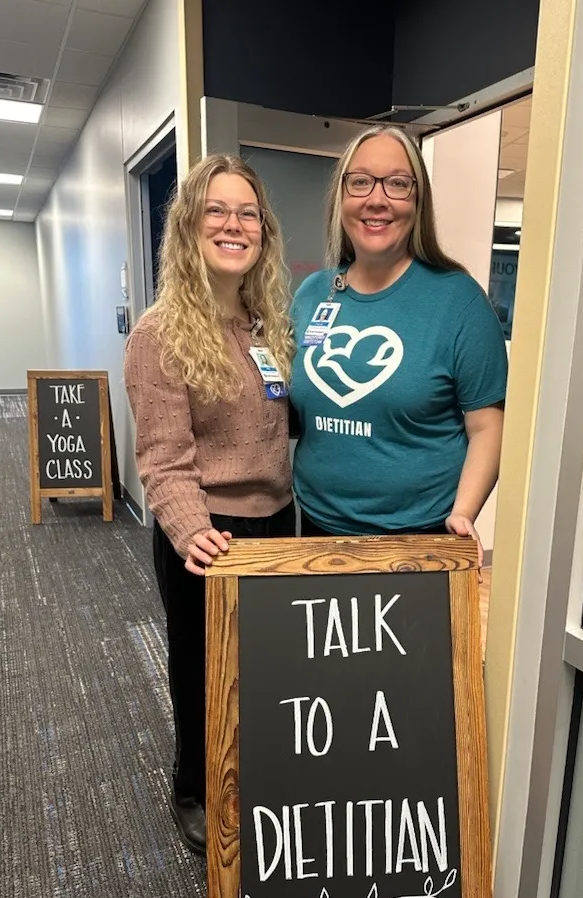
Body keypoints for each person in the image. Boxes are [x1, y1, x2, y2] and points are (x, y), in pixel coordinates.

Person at [124, 154, 295, 855]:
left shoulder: (267, 327)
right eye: (217, 211)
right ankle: (191, 787)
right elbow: (162, 456)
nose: (234, 224)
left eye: (247, 212)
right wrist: (193, 530)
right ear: (189, 227)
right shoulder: (159, 334)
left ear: (264, 232)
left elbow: (283, 425)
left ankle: (251, 771)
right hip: (208, 536)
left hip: (276, 525)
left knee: (263, 669)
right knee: (202, 672)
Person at [289, 125, 507, 557]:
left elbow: (487, 428)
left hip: (418, 537)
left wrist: (463, 513)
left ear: (418, 200)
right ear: (341, 197)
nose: (377, 199)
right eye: (361, 181)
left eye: (397, 184)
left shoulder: (458, 301)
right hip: (315, 525)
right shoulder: (312, 293)